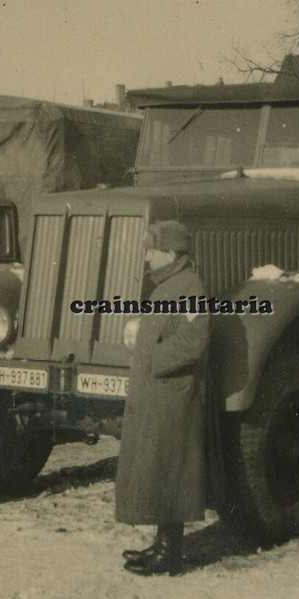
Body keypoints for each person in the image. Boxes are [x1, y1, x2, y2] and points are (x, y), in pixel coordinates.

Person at [115, 220, 212, 576]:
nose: (146, 258)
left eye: (151, 251)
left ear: (170, 253)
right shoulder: (169, 284)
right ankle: (161, 545)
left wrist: (152, 361)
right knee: (159, 470)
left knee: (170, 470)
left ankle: (170, 553)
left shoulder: (188, 287)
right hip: (158, 392)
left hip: (172, 394)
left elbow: (193, 341)